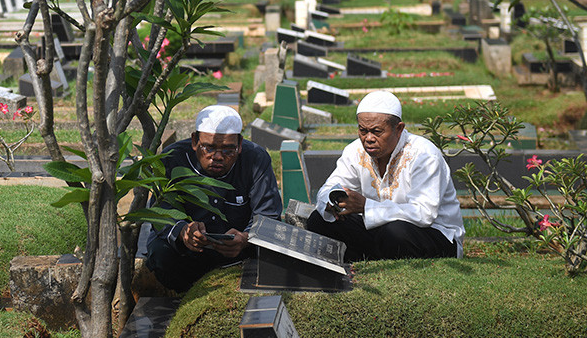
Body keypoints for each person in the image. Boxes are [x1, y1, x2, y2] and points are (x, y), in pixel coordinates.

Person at [306, 90, 464, 261]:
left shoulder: (424, 155)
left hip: (433, 234)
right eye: (362, 130)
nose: (368, 138)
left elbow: (424, 214)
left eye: (376, 131)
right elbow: (330, 187)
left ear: (399, 129)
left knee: (395, 232)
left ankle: (365, 257)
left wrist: (366, 206)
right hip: (381, 231)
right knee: (319, 220)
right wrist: (331, 202)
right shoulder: (355, 151)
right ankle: (367, 260)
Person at [145, 105, 283, 292]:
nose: (217, 157)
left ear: (240, 144)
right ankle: (184, 293)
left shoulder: (256, 160)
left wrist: (245, 238)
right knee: (161, 253)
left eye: (228, 150)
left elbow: (268, 214)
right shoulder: (173, 158)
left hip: (238, 251)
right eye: (208, 148)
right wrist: (183, 231)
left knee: (271, 247)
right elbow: (161, 212)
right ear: (194, 141)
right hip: (188, 253)